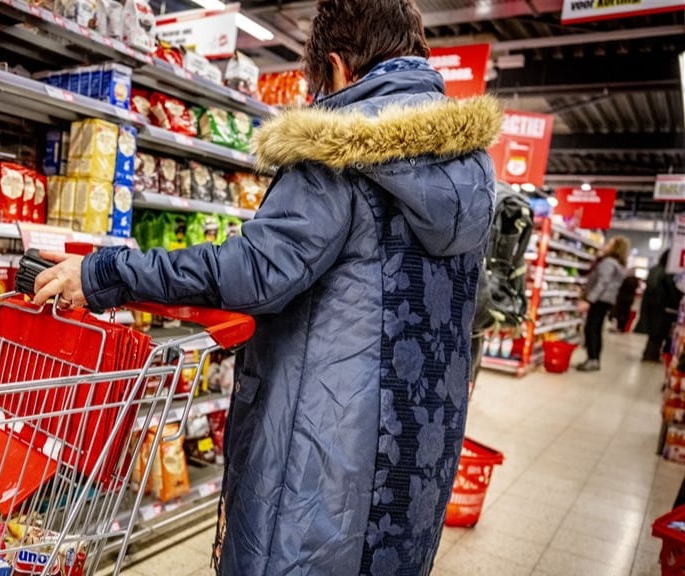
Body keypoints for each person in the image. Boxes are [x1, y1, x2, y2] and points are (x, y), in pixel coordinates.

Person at [31, 0, 503, 571]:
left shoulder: (338, 152)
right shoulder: (472, 174)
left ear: (336, 68)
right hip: (412, 472)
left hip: (319, 468)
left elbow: (251, 273)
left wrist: (107, 272)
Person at [577, 236, 630, 372]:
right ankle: (594, 359)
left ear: (615, 248)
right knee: (596, 329)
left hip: (599, 300)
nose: (605, 245)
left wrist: (589, 300)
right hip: (607, 300)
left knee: (591, 329)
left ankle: (592, 359)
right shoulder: (618, 264)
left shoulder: (608, 262)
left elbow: (602, 283)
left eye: (609, 243)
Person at [636, 251, 684, 362]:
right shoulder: (668, 274)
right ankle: (652, 356)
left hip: (653, 308)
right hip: (663, 310)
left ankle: (650, 355)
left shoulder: (655, 269)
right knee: (659, 335)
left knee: (654, 336)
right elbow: (673, 293)